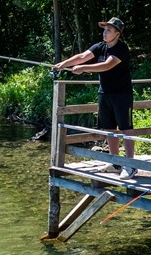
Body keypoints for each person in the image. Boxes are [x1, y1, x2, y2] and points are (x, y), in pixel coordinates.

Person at [54, 17, 136, 177]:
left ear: (117, 34)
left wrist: (83, 68)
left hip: (122, 95)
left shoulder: (121, 48)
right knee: (109, 128)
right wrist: (63, 64)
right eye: (104, 29)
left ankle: (131, 165)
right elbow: (82, 56)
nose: (105, 33)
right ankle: (115, 163)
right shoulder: (100, 46)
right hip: (104, 93)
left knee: (126, 128)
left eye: (109, 30)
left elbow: (107, 65)